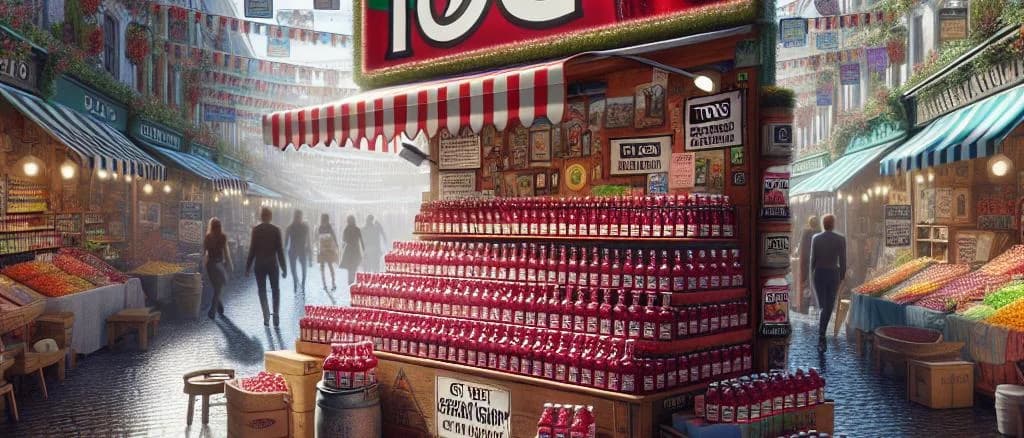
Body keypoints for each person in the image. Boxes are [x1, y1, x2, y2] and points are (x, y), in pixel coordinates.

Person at [810, 214, 847, 353]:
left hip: (819, 273)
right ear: (833, 224)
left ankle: (821, 336)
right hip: (833, 274)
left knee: (823, 305)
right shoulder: (840, 239)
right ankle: (821, 336)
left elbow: (813, 259)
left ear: (823, 224)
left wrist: (811, 275)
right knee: (828, 306)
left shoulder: (816, 238)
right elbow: (843, 260)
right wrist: (842, 277)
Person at [246, 207, 287, 327]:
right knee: (275, 290)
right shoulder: (276, 230)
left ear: (261, 216)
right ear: (270, 216)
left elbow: (252, 250)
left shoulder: (256, 230)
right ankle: (276, 314)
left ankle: (266, 314)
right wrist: (284, 268)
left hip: (259, 264)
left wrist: (247, 267)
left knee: (262, 290)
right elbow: (280, 251)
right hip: (272, 264)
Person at [203, 218, 233, 320]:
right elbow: (226, 253)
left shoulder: (208, 237)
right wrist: (230, 264)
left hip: (210, 265)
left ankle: (219, 307)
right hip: (219, 264)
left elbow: (205, 253)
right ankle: (212, 310)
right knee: (218, 288)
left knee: (216, 288)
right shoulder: (223, 236)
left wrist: (204, 265)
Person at [797, 216, 821, 313]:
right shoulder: (820, 232)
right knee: (815, 283)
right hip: (817, 262)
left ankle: (805, 306)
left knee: (807, 284)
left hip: (807, 262)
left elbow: (802, 247)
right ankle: (816, 305)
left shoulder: (806, 232)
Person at [285, 210, 312, 293]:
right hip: (296, 250)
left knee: (302, 268)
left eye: (299, 216)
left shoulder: (302, 227)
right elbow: (286, 242)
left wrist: (310, 255)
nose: (298, 218)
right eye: (297, 216)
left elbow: (309, 241)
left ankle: (301, 283)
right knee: (296, 269)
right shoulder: (290, 227)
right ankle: (297, 282)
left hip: (299, 250)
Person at [317, 213, 340, 291]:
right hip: (327, 249)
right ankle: (331, 284)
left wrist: (336, 244)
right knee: (328, 266)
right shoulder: (328, 227)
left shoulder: (321, 228)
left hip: (324, 249)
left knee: (324, 267)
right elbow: (333, 236)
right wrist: (336, 244)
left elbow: (319, 238)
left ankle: (327, 284)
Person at [340, 215, 365, 286]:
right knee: (354, 266)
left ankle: (350, 282)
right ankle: (352, 282)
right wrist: (364, 250)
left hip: (348, 250)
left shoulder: (346, 229)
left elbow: (344, 240)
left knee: (350, 268)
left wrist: (342, 248)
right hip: (356, 250)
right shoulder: (357, 229)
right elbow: (361, 240)